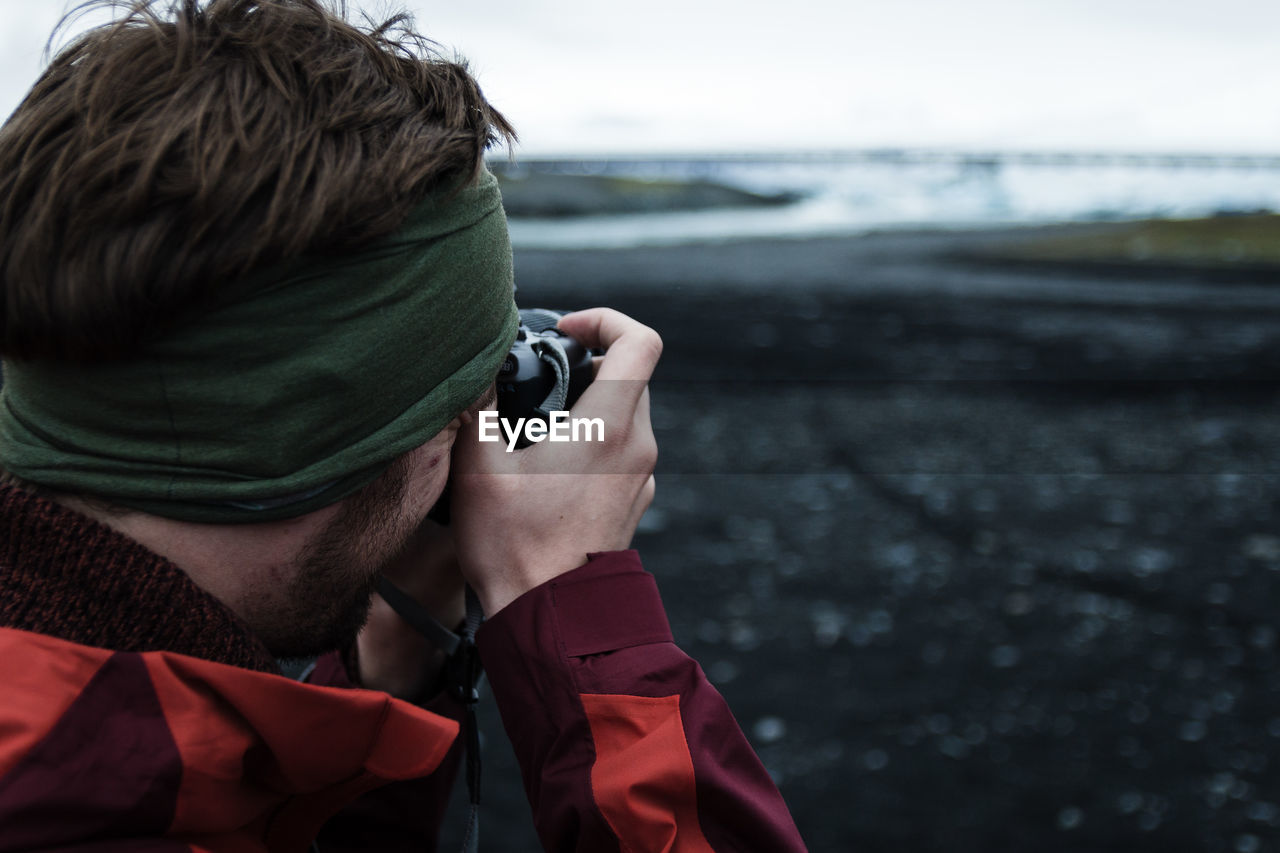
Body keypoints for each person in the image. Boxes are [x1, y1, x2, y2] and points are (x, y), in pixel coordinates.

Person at [0, 1, 807, 851]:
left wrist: (392, 641)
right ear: (359, 440)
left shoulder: (87, 747)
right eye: (471, 398)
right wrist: (570, 610)